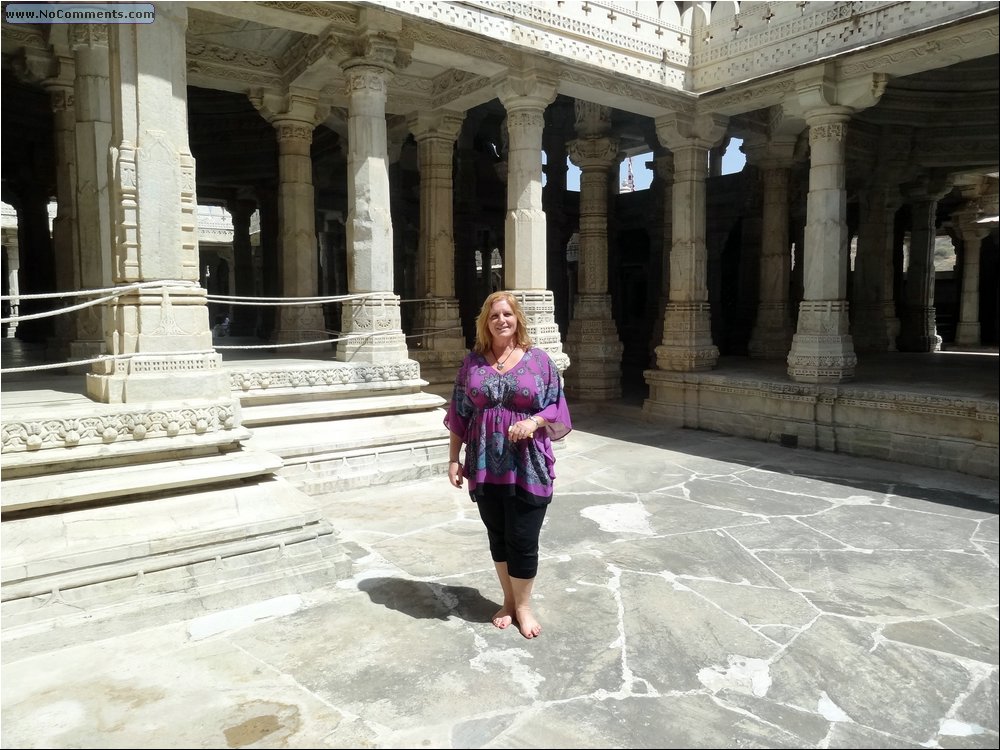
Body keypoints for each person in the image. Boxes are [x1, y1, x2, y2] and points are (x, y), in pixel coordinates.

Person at [444, 290, 572, 639]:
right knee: (498, 535)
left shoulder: (539, 360)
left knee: (523, 536)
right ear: (486, 322)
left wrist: (533, 422)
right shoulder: (472, 363)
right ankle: (509, 600)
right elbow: (459, 413)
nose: (502, 320)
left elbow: (555, 405)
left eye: (507, 314)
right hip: (484, 463)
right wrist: (454, 459)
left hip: (527, 463)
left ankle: (525, 605)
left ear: (518, 320)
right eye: (494, 315)